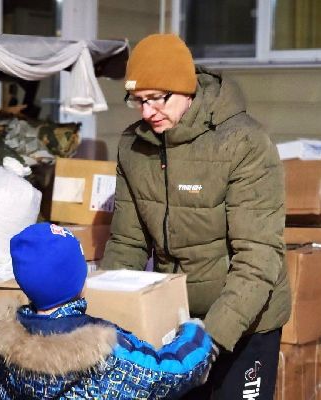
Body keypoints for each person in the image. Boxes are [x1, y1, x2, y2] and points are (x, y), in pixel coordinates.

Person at [100, 33, 291, 399]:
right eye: (138, 100)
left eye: (157, 98)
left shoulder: (243, 143)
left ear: (185, 89)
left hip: (246, 320)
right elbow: (127, 242)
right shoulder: (133, 147)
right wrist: (107, 319)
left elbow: (258, 256)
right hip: (178, 318)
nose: (147, 112)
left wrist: (210, 338)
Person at [0, 222, 218, 400]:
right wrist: (195, 336)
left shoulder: (9, 344)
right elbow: (167, 374)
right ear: (78, 279)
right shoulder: (100, 350)